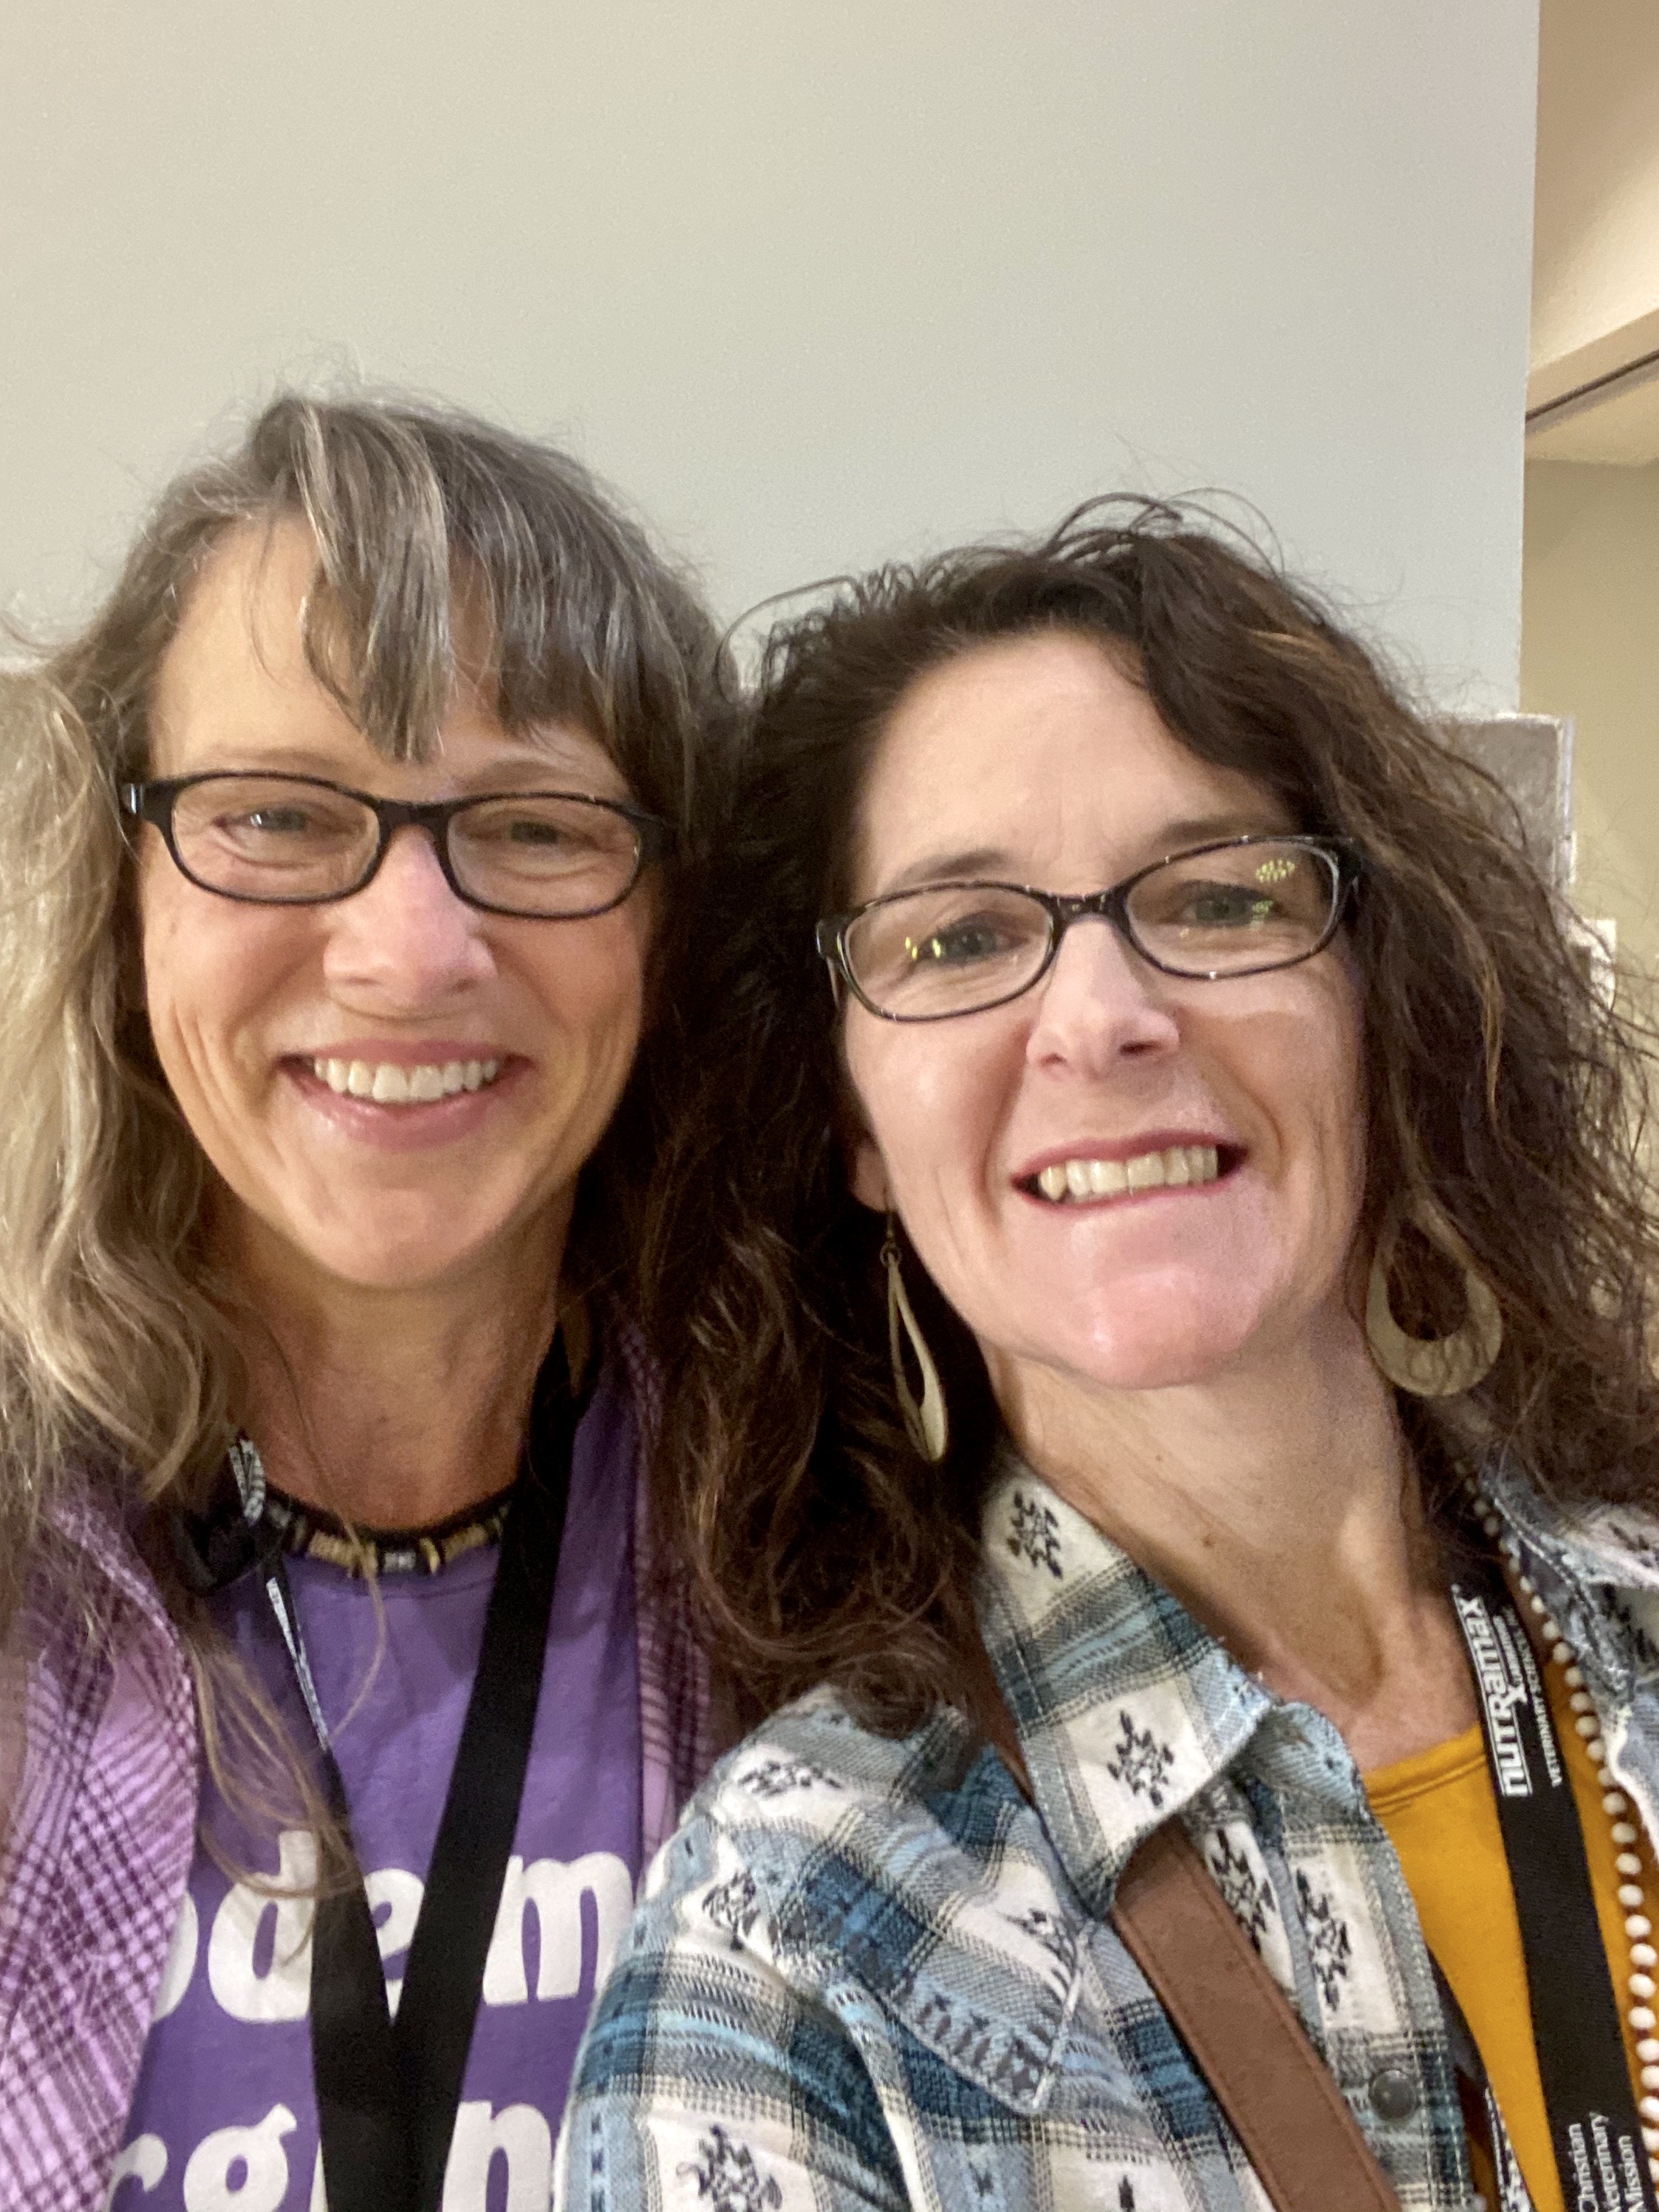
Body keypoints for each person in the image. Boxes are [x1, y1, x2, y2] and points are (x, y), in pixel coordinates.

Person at [560, 506, 1659, 2212]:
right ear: (852, 1120)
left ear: (1381, 1006)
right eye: (957, 938)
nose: (1100, 1017)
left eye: (1218, 898)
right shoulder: (792, 1946)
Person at [0, 393, 721, 2212]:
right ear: (119, 887)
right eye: (273, 814)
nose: (407, 954)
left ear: (671, 920)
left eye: (538, 827)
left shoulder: (813, 1546)